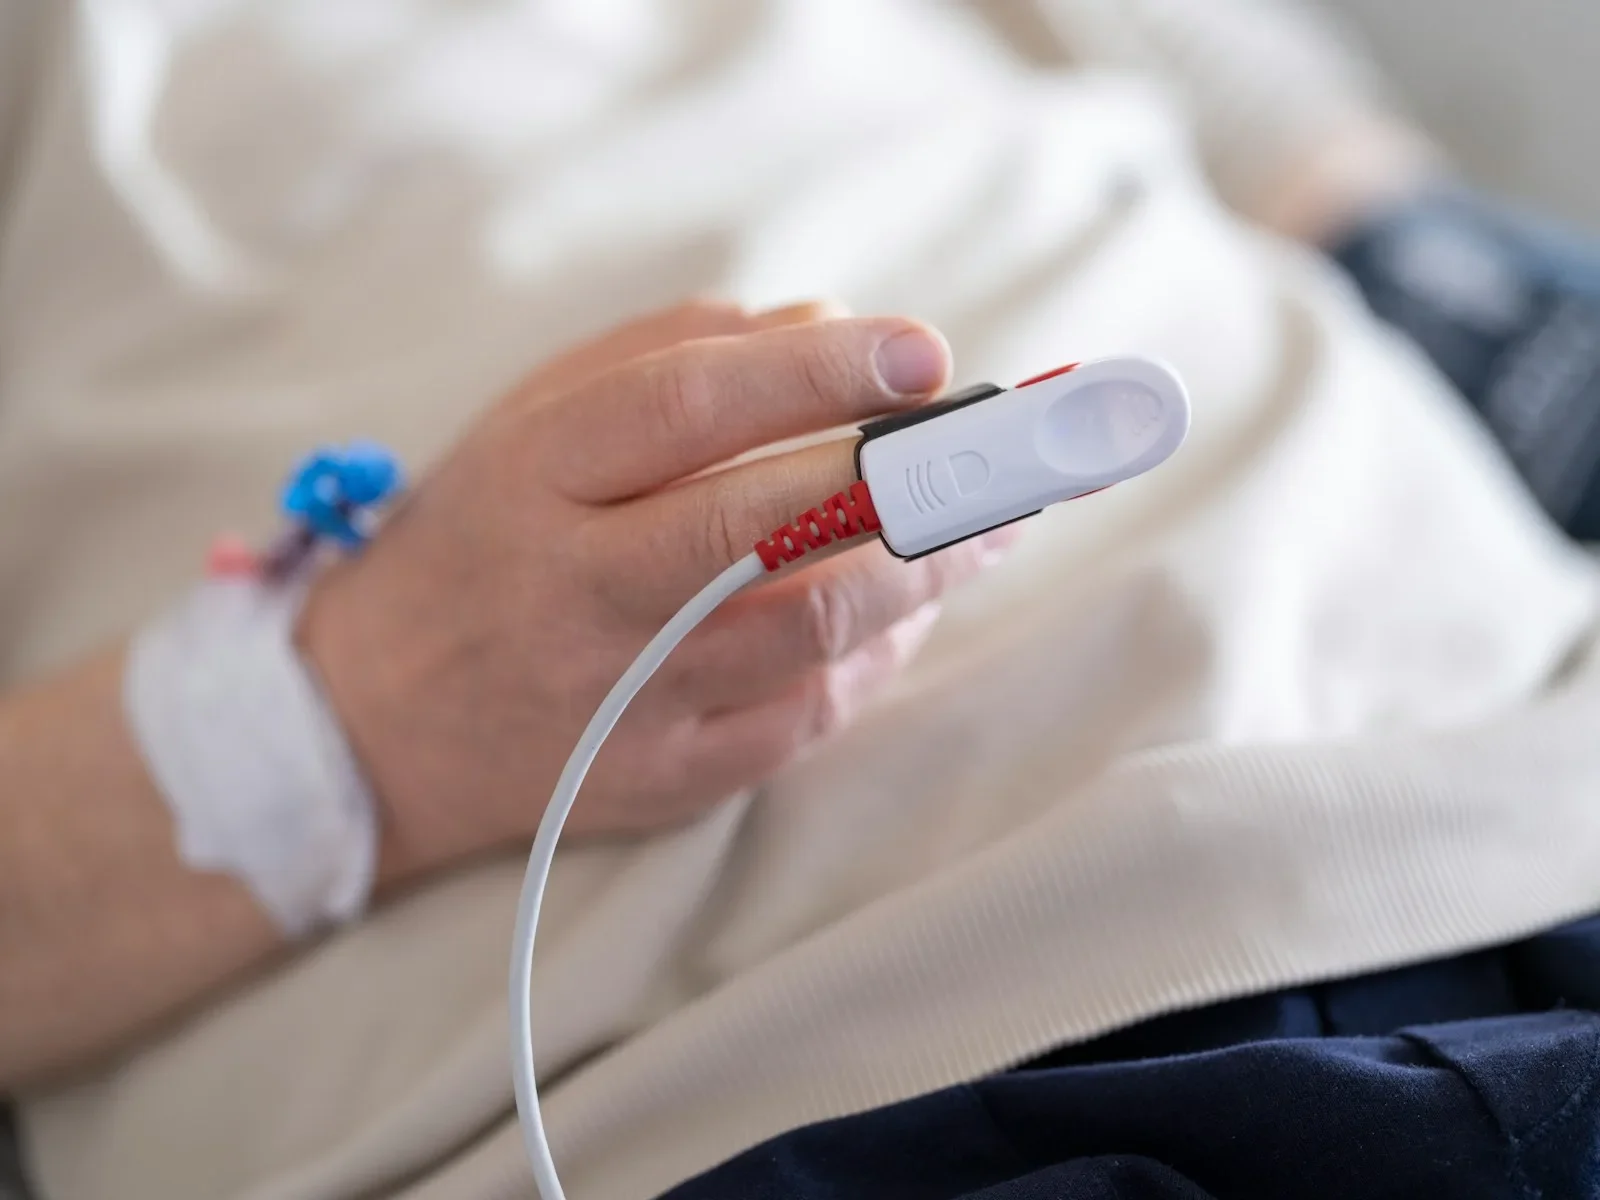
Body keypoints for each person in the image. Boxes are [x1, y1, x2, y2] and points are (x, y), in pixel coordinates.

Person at [3, 2, 1600, 1198]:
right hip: (818, 1079)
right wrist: (347, 715)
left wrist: (1406, 237)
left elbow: (1240, 100)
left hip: (1519, 756)